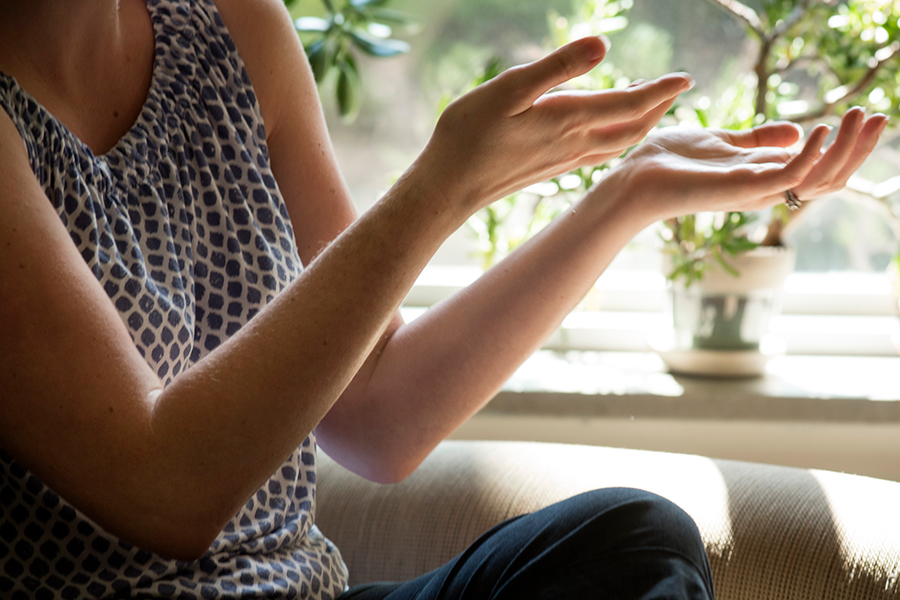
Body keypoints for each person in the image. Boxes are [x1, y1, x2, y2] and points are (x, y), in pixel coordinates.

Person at [0, 0, 887, 598]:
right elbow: (165, 493)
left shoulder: (231, 26)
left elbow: (377, 415)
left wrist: (628, 195)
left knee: (632, 538)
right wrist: (436, 191)